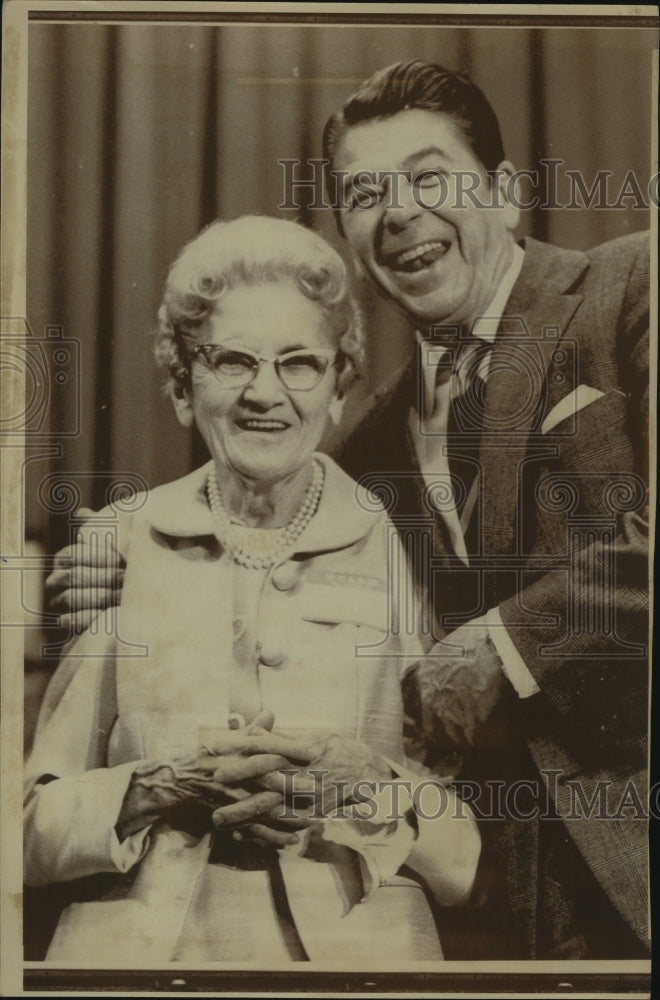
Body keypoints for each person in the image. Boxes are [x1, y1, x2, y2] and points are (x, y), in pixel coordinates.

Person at [47, 61, 650, 958]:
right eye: (365, 192)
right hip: (498, 909)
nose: (398, 210)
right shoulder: (360, 447)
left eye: (428, 176)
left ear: (509, 192)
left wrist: (508, 643)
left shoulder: (629, 287)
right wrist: (122, 540)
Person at [25, 215, 481, 964]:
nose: (263, 393)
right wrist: (157, 787)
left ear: (339, 388)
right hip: (142, 965)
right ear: (182, 386)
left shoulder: (410, 544)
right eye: (231, 361)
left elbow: (464, 849)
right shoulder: (121, 542)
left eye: (299, 363)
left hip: (361, 967)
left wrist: (363, 789)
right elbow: (26, 831)